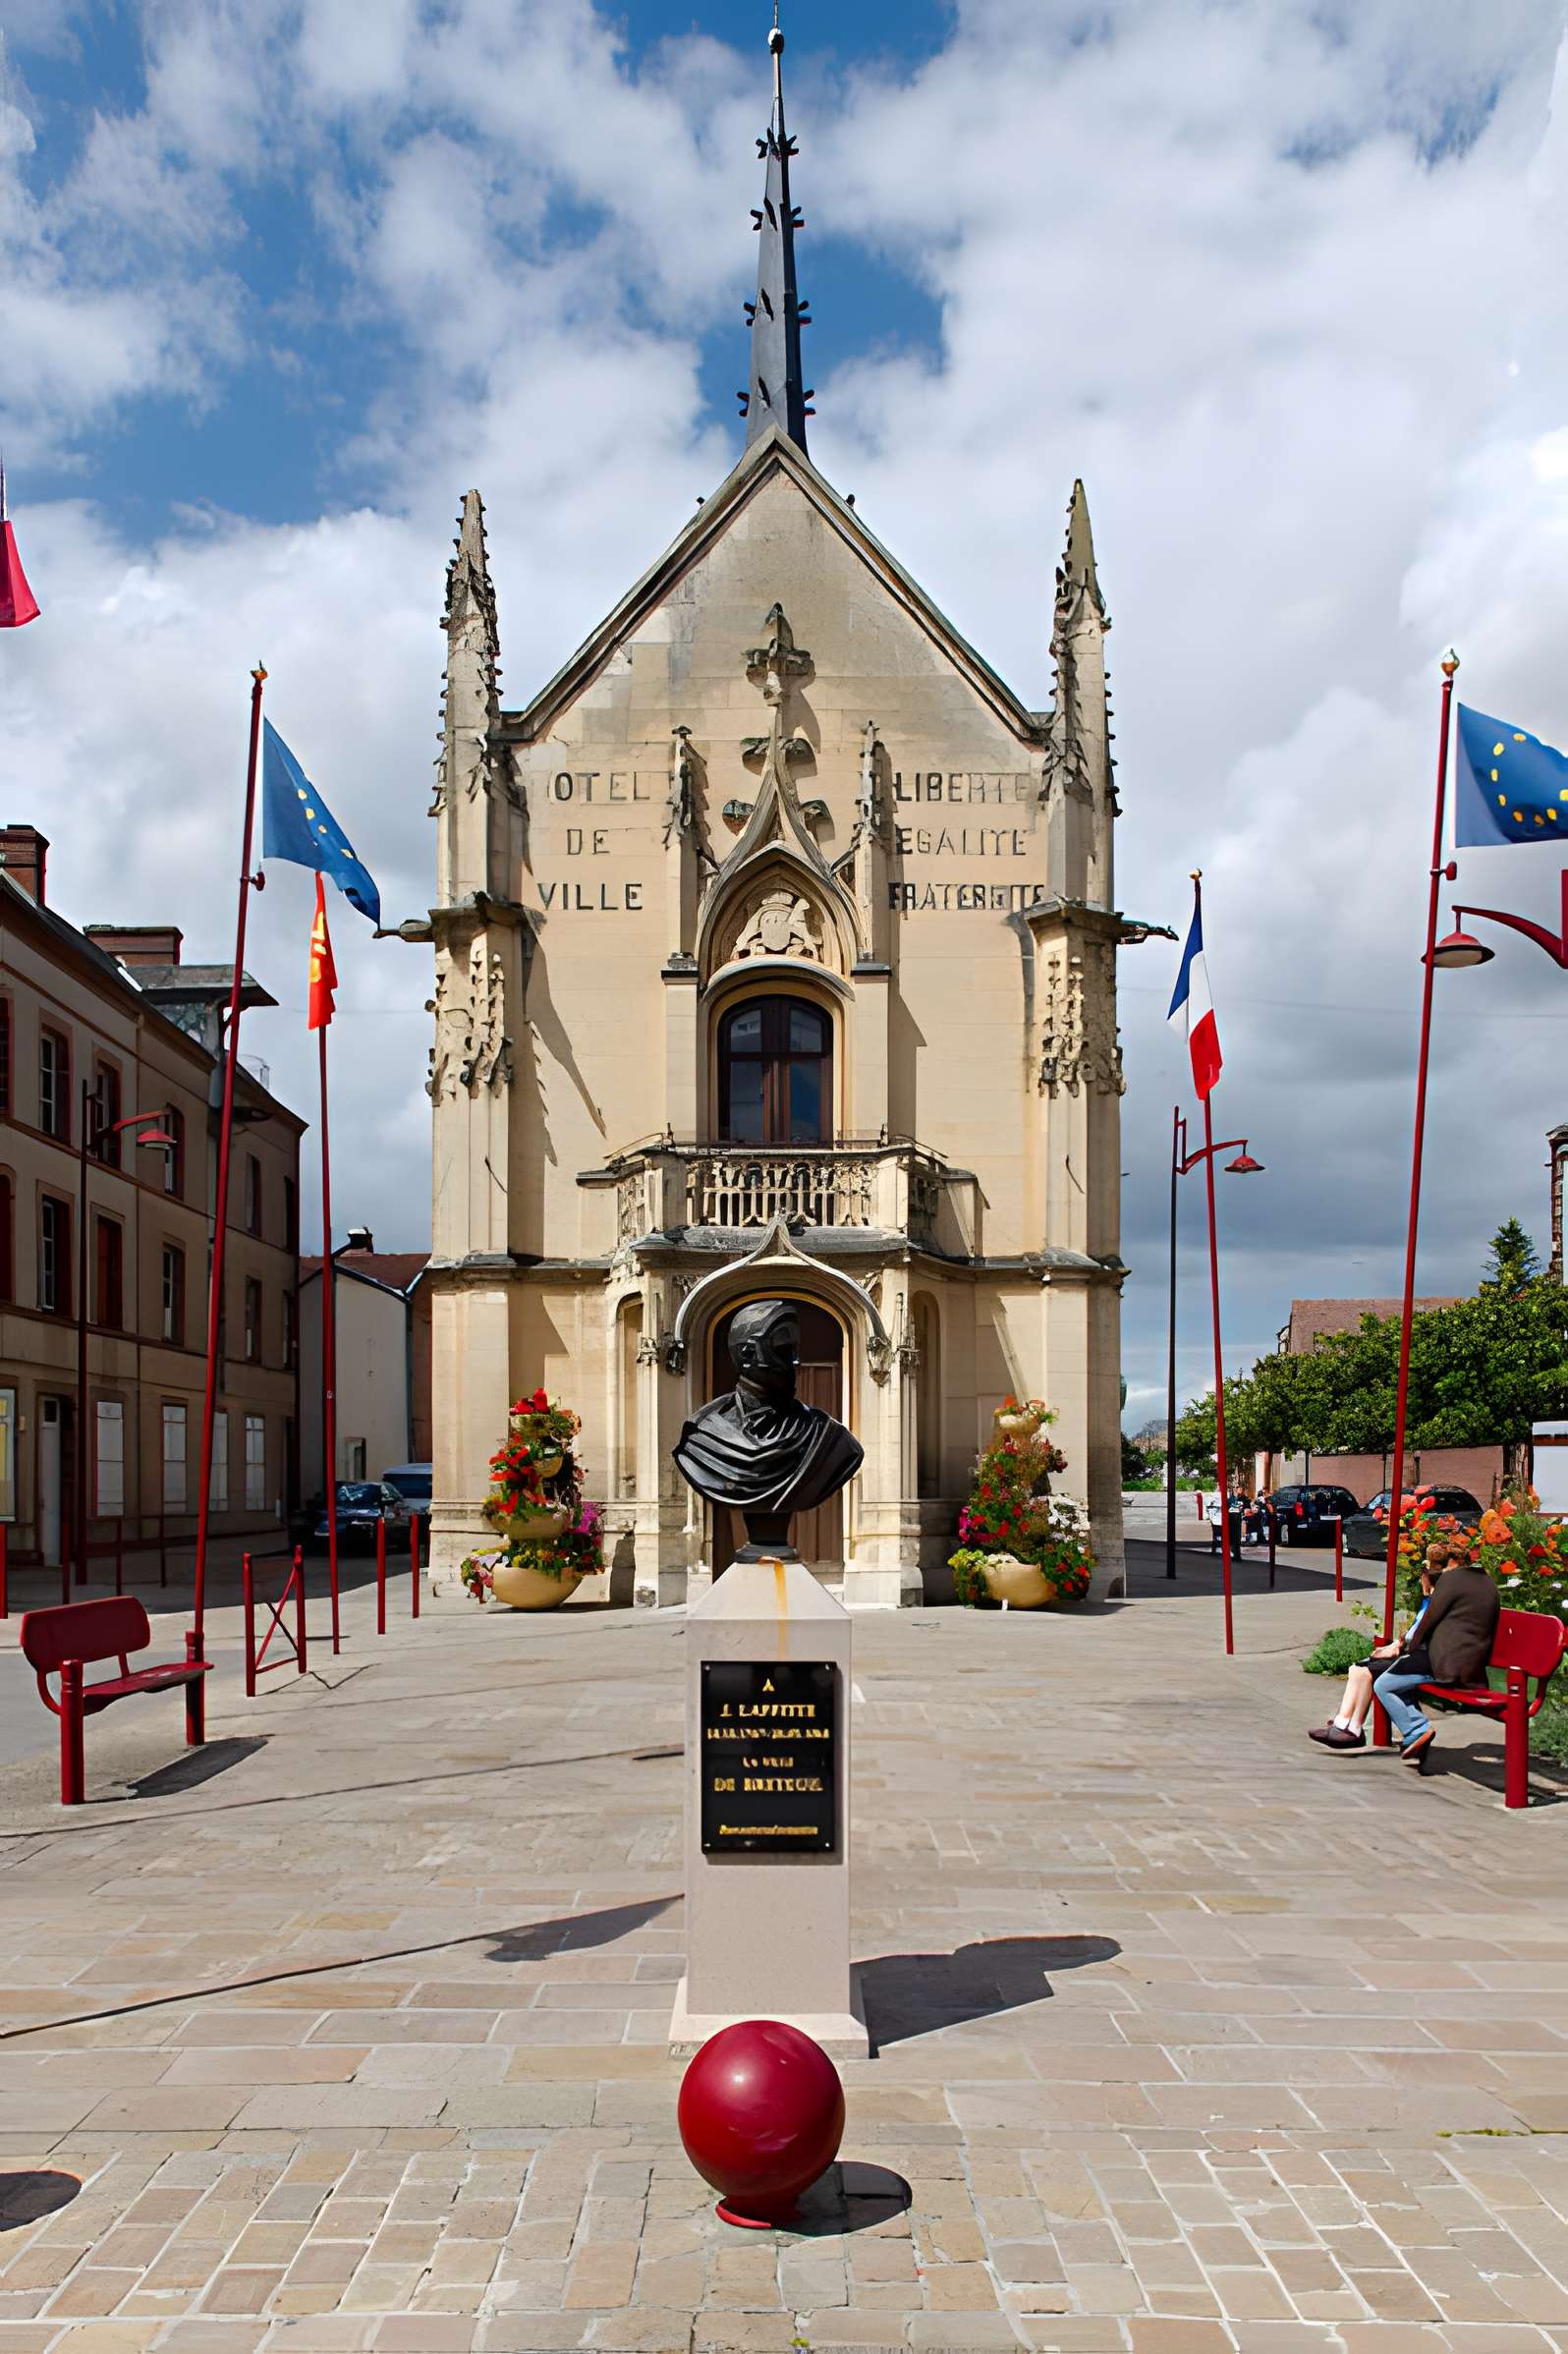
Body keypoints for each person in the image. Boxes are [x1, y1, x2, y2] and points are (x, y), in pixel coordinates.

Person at [1373, 1542, 1500, 1769]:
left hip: (1445, 1663)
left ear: (1451, 1562)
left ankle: (1417, 1729)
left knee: (1384, 1684)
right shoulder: (1487, 1581)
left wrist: (1406, 1651)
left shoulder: (1451, 1580)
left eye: (1438, 1564)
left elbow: (1427, 1621)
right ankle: (1416, 1737)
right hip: (1471, 1665)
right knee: (1401, 1679)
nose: (1436, 1570)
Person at [1309, 1552, 1440, 1750]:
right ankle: (1345, 1724)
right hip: (1410, 1654)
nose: (1421, 1580)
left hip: (1416, 1659)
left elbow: (1417, 1635)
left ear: (1428, 1579)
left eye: (1423, 1576)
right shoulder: (1427, 1601)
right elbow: (1412, 1633)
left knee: (1364, 1671)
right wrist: (1393, 1645)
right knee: (1357, 1669)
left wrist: (1395, 1648)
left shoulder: (1434, 1603)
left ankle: (1351, 1728)